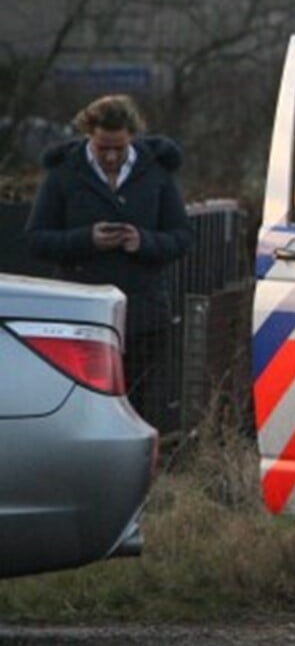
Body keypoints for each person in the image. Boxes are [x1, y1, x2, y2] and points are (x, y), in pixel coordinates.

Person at [26, 94, 192, 425]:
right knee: (81, 404)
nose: (112, 156)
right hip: (81, 314)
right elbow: (36, 239)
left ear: (132, 136)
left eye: (119, 147)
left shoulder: (156, 173)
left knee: (140, 403)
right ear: (89, 135)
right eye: (103, 148)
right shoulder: (64, 174)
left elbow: (182, 236)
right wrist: (86, 239)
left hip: (143, 313)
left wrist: (143, 242)